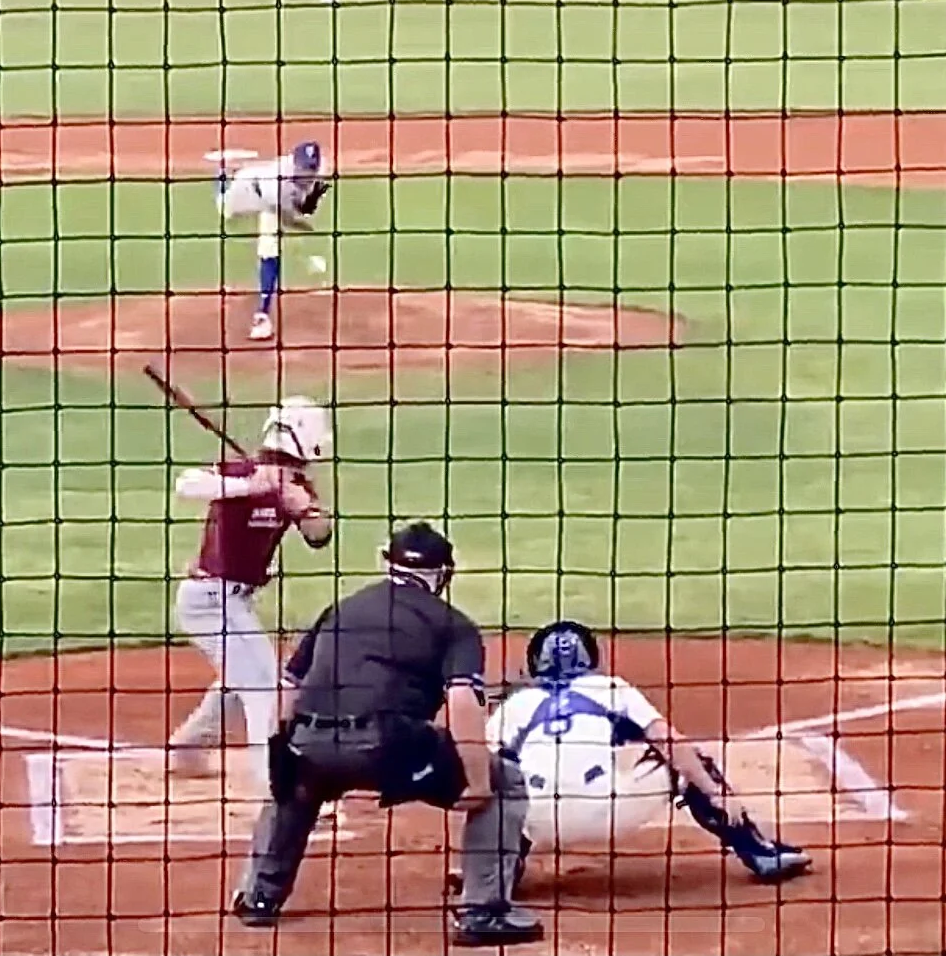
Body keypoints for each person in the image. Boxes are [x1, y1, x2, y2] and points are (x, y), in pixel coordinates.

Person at [230, 522, 545, 948]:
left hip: (312, 743)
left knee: (294, 785)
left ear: (387, 562)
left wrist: (282, 758)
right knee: (503, 780)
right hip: (388, 748)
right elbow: (463, 703)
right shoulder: (453, 624)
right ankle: (483, 911)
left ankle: (259, 897)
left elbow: (288, 689)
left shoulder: (340, 610)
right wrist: (477, 779)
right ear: (445, 572)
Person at [460, 621, 812, 894]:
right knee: (689, 764)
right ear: (590, 658)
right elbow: (669, 742)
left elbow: (476, 763)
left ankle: (492, 870)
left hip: (535, 819)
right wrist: (717, 794)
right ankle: (761, 854)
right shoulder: (612, 688)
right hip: (610, 811)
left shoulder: (516, 704)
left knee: (499, 780)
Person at [163, 397, 334, 799]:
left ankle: (189, 747)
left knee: (242, 676)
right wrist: (248, 486)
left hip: (236, 602)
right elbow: (187, 484)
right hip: (206, 599)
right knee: (263, 687)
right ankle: (275, 786)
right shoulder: (243, 472)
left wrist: (304, 508)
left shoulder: (295, 485)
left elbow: (320, 537)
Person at [210, 141, 331, 341]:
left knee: (269, 247)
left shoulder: (321, 168)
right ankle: (221, 173)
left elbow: (305, 203)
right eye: (303, 166)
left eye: (311, 167)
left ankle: (262, 315)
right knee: (224, 209)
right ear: (294, 162)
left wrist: (305, 209)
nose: (307, 171)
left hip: (274, 202)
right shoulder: (277, 184)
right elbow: (286, 217)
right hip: (249, 190)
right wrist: (298, 225)